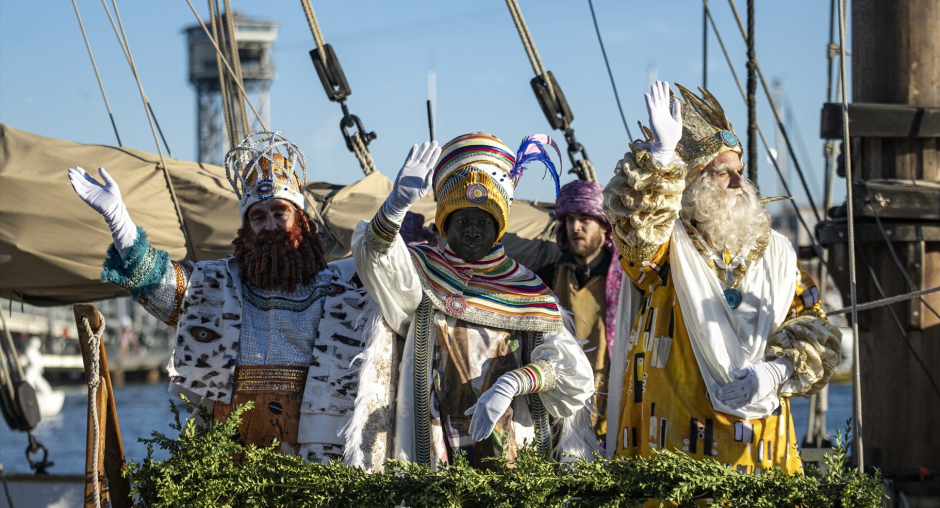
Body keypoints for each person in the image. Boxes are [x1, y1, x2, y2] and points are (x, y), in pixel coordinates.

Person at [68, 131, 382, 463]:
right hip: (229, 449)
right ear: (247, 229)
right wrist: (119, 222)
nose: (270, 225)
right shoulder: (219, 284)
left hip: (313, 450)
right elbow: (161, 285)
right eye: (258, 217)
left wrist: (394, 211)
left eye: (280, 213)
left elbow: (391, 282)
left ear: (300, 220)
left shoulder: (340, 286)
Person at [603, 82, 842, 474]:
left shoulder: (777, 252)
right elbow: (636, 234)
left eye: (741, 172)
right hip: (676, 435)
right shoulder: (668, 248)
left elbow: (814, 322)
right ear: (695, 184)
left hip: (758, 442)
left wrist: (778, 369)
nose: (739, 183)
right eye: (723, 173)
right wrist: (661, 158)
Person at [351, 132, 597, 469]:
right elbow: (376, 261)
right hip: (431, 444)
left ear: (498, 227)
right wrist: (395, 206)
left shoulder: (527, 290)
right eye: (462, 220)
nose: (472, 231)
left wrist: (514, 382)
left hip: (510, 448)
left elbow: (573, 374)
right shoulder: (422, 272)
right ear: (445, 223)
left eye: (483, 222)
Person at [536, 180, 624, 443]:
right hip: (558, 415)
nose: (575, 227)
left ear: (604, 225)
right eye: (570, 219)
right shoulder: (545, 279)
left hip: (616, 415)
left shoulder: (627, 283)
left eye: (585, 219)